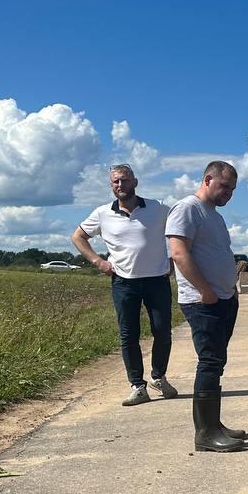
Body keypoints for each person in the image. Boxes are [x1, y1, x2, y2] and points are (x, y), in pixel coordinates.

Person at [71, 164, 177, 407]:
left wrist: (173, 258)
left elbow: (178, 230)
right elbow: (78, 236)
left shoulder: (158, 208)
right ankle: (137, 386)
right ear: (111, 185)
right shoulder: (101, 213)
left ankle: (158, 377)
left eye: (125, 180)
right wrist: (98, 261)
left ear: (135, 182)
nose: (121, 185)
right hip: (123, 281)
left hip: (156, 280)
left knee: (162, 331)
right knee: (129, 334)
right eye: (116, 182)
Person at [166, 161, 247, 453]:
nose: (229, 193)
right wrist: (205, 290)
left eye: (233, 189)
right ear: (207, 179)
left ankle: (215, 424)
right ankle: (205, 433)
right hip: (203, 302)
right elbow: (178, 252)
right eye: (224, 186)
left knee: (217, 362)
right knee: (210, 362)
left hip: (223, 299)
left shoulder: (213, 215)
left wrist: (229, 292)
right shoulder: (187, 208)